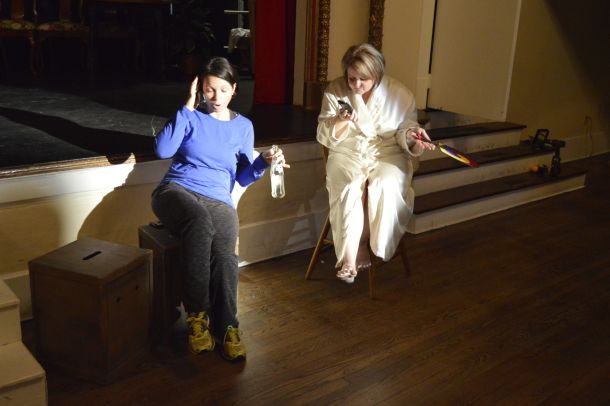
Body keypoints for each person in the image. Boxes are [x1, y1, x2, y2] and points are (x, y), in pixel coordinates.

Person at [151, 57, 287, 361]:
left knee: (226, 252)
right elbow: (162, 150)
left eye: (223, 90)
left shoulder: (243, 127)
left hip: (217, 198)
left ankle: (227, 325)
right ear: (200, 88)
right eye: (210, 89)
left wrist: (263, 161)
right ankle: (197, 317)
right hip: (176, 190)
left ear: (235, 89)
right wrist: (187, 106)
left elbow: (242, 177)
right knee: (199, 221)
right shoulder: (191, 116)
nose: (216, 97)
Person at [317, 43, 434, 283]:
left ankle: (368, 242)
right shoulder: (335, 90)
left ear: (377, 75)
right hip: (348, 150)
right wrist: (340, 120)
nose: (356, 85)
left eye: (364, 79)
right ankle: (349, 258)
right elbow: (324, 133)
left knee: (385, 184)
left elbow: (405, 129)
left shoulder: (400, 94)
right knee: (349, 184)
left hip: (387, 151)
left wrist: (412, 136)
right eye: (351, 78)